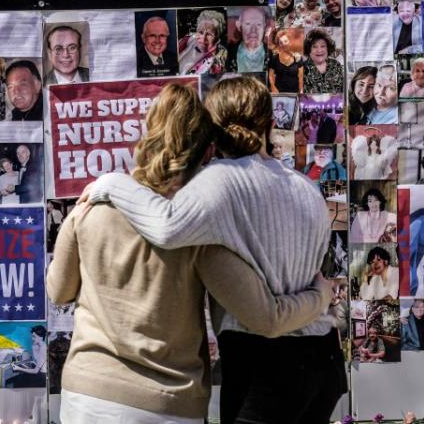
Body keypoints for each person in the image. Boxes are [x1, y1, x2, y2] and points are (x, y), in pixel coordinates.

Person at [83, 77, 344, 422]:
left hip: (265, 367)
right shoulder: (305, 187)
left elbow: (165, 226)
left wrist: (112, 183)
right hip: (324, 358)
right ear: (269, 123)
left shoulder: (220, 181)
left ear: (212, 128)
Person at [178, 10, 227, 75]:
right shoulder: (190, 38)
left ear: (217, 36)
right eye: (201, 32)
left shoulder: (217, 60)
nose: (203, 38)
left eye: (209, 34)